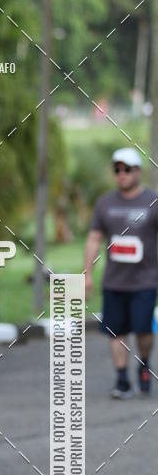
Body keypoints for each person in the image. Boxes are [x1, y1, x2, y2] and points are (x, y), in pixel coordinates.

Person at [84, 147, 158, 398]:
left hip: (145, 280)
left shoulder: (152, 201)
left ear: (138, 171)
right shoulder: (105, 203)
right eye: (117, 170)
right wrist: (87, 274)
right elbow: (94, 239)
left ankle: (144, 363)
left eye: (126, 169)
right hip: (114, 281)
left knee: (144, 330)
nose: (121, 174)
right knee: (116, 331)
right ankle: (122, 378)